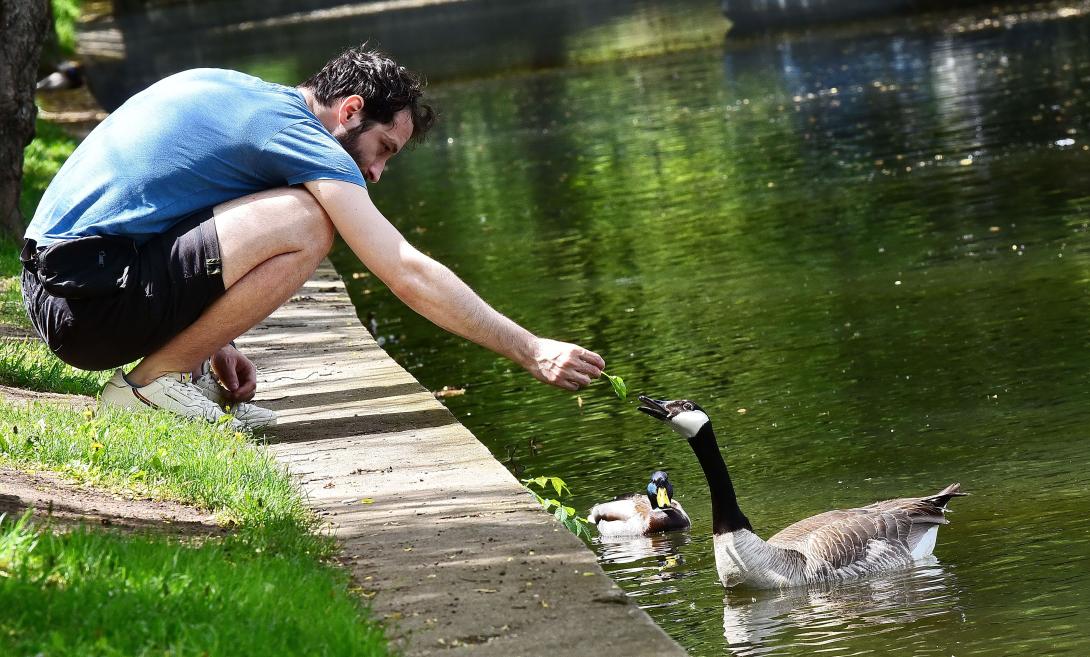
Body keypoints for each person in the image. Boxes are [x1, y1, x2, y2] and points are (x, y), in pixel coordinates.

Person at [21, 45, 605, 430]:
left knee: (292, 211)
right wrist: (531, 348)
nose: (375, 172)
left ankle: (180, 374)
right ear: (350, 110)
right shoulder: (300, 136)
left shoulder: (245, 98)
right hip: (85, 300)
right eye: (383, 151)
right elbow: (403, 269)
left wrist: (210, 339)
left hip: (67, 285)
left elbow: (168, 209)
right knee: (308, 222)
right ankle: (149, 389)